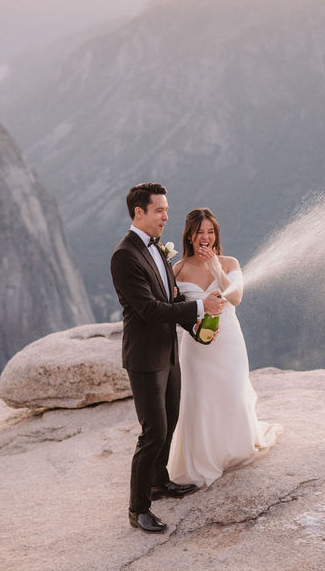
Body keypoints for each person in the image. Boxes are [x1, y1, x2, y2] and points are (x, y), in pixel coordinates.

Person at [110, 183, 226, 534]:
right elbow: (147, 309)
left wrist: (195, 327)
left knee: (171, 420)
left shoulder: (158, 250)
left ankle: (160, 482)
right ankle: (138, 508)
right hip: (145, 359)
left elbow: (170, 299)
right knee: (153, 432)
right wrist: (200, 306)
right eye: (159, 210)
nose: (166, 216)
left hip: (168, 352)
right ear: (138, 213)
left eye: (166, 209)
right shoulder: (125, 255)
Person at [167, 208, 280, 488]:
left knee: (231, 392)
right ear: (189, 236)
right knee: (200, 399)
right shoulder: (177, 269)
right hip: (195, 346)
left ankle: (235, 449)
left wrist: (216, 271)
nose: (205, 237)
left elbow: (237, 296)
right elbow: (173, 310)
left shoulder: (229, 263)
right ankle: (204, 459)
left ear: (216, 235)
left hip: (228, 341)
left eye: (210, 231)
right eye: (199, 232)